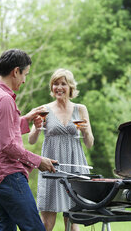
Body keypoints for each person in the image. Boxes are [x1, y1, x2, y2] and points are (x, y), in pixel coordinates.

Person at [0, 49, 57, 231]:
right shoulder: (4, 99)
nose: (24, 80)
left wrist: (26, 119)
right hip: (8, 176)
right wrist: (38, 161)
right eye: (25, 74)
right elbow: (7, 145)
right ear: (15, 71)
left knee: (5, 228)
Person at [28, 68, 94, 231]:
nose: (58, 87)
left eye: (63, 84)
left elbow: (89, 143)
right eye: (55, 84)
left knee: (72, 221)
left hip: (74, 165)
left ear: (70, 87)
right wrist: (36, 128)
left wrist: (85, 131)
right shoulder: (44, 109)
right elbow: (31, 140)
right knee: (47, 222)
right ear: (51, 88)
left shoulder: (80, 109)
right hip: (52, 166)